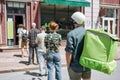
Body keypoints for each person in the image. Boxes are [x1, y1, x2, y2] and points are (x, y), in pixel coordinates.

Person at [65, 12, 91, 80]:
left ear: (75, 22)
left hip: (75, 67)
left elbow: (68, 53)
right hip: (87, 65)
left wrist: (68, 66)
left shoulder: (71, 34)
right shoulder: (88, 33)